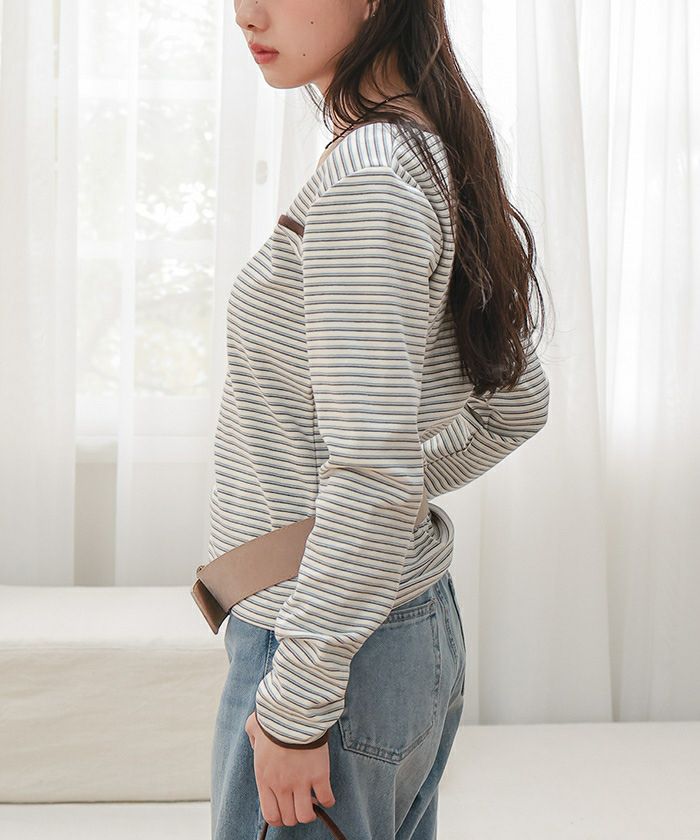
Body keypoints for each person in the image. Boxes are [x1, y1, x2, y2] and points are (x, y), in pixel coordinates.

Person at [210, 1, 552, 837]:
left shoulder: (367, 179)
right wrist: (367, 508)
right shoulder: (424, 149)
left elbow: (375, 469)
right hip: (393, 632)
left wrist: (296, 707)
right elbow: (516, 403)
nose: (246, 13)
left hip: (329, 656)